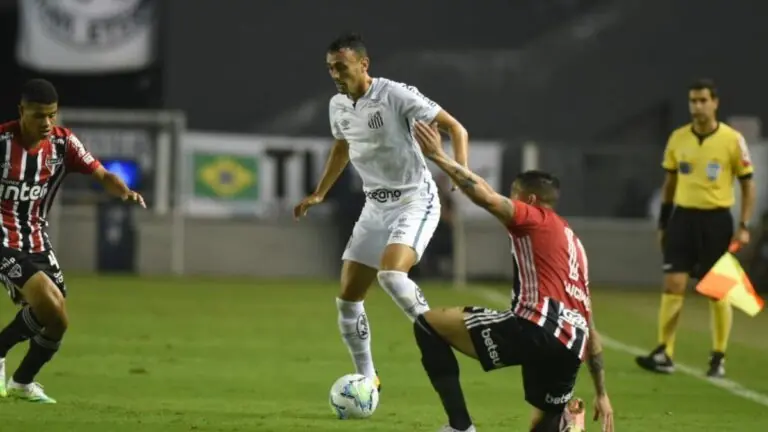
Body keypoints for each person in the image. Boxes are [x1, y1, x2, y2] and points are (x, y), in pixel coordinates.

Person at [410, 121, 614, 432]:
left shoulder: (535, 218)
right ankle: (567, 421)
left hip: (537, 329)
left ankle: (460, 427)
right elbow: (591, 325)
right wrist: (602, 393)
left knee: (428, 325)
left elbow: (487, 198)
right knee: (542, 424)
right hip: (572, 344)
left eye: (514, 196)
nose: (510, 201)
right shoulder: (574, 245)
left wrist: (439, 155)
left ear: (530, 200)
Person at [294, 32, 469, 390]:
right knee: (347, 300)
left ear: (363, 64)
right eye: (330, 69)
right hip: (375, 205)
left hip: (414, 200)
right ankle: (368, 376)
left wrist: (460, 172)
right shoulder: (338, 105)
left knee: (391, 275)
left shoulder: (395, 94)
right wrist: (319, 193)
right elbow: (342, 147)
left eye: (341, 67)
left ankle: (435, 332)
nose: (335, 75)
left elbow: (455, 128)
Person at [0, 79, 146, 403]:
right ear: (21, 111)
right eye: (39, 116)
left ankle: (22, 382)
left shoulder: (63, 144)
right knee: (46, 303)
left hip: (36, 237)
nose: (47, 123)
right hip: (2, 239)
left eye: (52, 115)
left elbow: (102, 174)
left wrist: (123, 191)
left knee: (58, 320)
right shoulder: (3, 143)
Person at [636, 79, 755, 378]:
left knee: (717, 291)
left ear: (715, 102)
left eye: (703, 100)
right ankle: (665, 351)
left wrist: (744, 224)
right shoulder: (678, 138)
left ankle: (718, 356)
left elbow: (747, 184)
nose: (697, 106)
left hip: (716, 220)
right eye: (693, 100)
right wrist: (664, 222)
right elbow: (670, 184)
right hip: (683, 218)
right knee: (673, 284)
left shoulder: (732, 139)